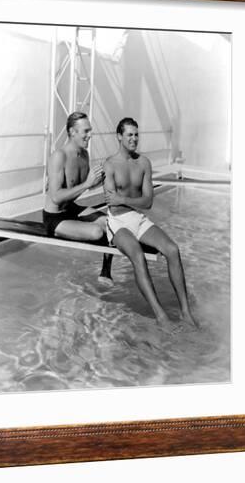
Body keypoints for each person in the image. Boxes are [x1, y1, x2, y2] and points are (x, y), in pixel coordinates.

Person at [103, 117, 197, 330]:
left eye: (136, 135)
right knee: (136, 254)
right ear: (119, 137)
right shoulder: (110, 165)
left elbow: (148, 202)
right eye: (129, 135)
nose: (134, 139)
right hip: (117, 222)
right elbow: (113, 205)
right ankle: (161, 315)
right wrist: (122, 202)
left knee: (173, 250)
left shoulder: (143, 163)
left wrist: (125, 200)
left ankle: (186, 312)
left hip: (137, 216)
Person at [43, 112, 113, 283]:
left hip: (71, 209)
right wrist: (88, 184)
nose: (90, 135)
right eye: (86, 131)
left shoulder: (84, 155)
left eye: (90, 131)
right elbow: (56, 197)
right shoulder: (59, 156)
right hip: (55, 217)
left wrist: (99, 179)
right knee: (97, 232)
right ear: (72, 132)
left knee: (111, 223)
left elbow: (84, 186)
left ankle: (106, 272)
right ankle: (64, 232)